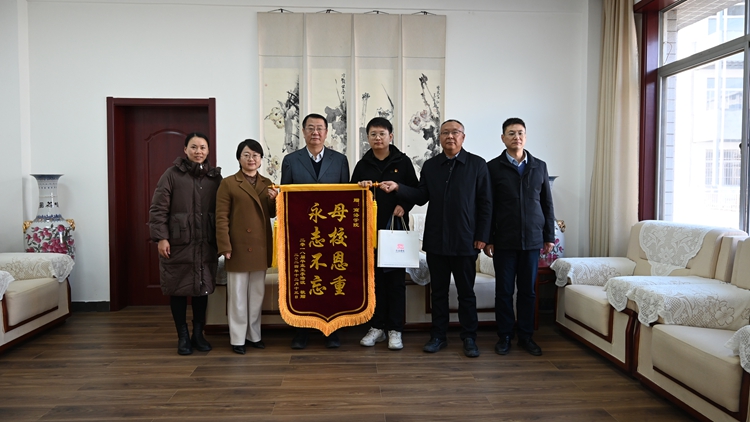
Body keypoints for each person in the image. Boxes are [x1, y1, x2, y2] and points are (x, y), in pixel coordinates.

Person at [379, 119, 491, 358]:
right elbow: (421, 196)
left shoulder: (477, 165)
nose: (450, 136)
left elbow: (486, 203)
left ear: (463, 137)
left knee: (466, 293)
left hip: (465, 240)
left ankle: (469, 337)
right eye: (445, 133)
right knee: (438, 292)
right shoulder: (431, 166)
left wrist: (483, 236)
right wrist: (398, 188)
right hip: (436, 240)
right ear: (439, 138)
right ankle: (438, 336)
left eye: (455, 132)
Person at [484, 117, 555, 357]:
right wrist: (488, 238)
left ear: (526, 136)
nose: (517, 137)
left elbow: (547, 203)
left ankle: (526, 336)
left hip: (532, 240)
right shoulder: (492, 167)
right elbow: (488, 206)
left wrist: (548, 236)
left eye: (520, 133)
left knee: (528, 291)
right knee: (504, 291)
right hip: (504, 240)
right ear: (503, 138)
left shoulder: (539, 166)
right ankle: (504, 336)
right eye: (511, 133)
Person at [280, 113, 350, 349]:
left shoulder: (340, 160)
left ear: (326, 132)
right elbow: (285, 197)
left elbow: (346, 198)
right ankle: (302, 330)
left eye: (320, 128)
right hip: (301, 232)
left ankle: (332, 330)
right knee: (302, 280)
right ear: (303, 132)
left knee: (331, 279)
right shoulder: (291, 160)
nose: (315, 132)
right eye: (310, 128)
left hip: (331, 234)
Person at [149, 132, 222, 355]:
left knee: (202, 289)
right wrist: (161, 237)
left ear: (208, 150)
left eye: (202, 147)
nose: (198, 151)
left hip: (206, 243)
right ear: (185, 150)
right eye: (194, 147)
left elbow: (223, 212)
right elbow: (158, 209)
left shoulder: (215, 178)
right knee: (178, 289)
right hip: (178, 243)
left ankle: (198, 334)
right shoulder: (171, 175)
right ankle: (182, 337)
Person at [351, 117, 419, 350]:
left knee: (396, 282)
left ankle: (395, 329)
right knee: (374, 281)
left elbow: (417, 192)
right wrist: (360, 188)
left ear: (391, 136)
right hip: (369, 232)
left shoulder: (403, 162)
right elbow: (350, 197)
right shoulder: (362, 164)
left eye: (382, 134)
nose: (377, 138)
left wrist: (404, 205)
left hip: (395, 230)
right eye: (373, 134)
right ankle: (376, 327)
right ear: (367, 138)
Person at [216, 139, 278, 355]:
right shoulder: (228, 183)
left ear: (261, 160)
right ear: (239, 158)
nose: (251, 159)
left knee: (256, 295)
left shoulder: (268, 183)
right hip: (238, 247)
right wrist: (224, 246)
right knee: (238, 296)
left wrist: (274, 200)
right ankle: (237, 338)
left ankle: (254, 335)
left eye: (255, 155)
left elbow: (272, 213)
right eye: (246, 155)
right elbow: (221, 217)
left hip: (260, 246)